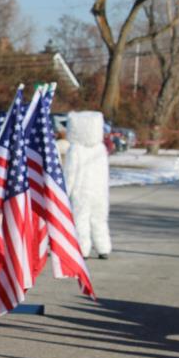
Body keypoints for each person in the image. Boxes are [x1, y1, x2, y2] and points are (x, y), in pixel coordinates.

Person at [63, 111, 111, 259]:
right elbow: (105, 173)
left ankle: (83, 249)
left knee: (81, 220)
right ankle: (103, 248)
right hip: (99, 191)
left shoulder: (75, 150)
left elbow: (70, 173)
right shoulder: (100, 149)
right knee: (99, 219)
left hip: (81, 191)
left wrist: (65, 192)